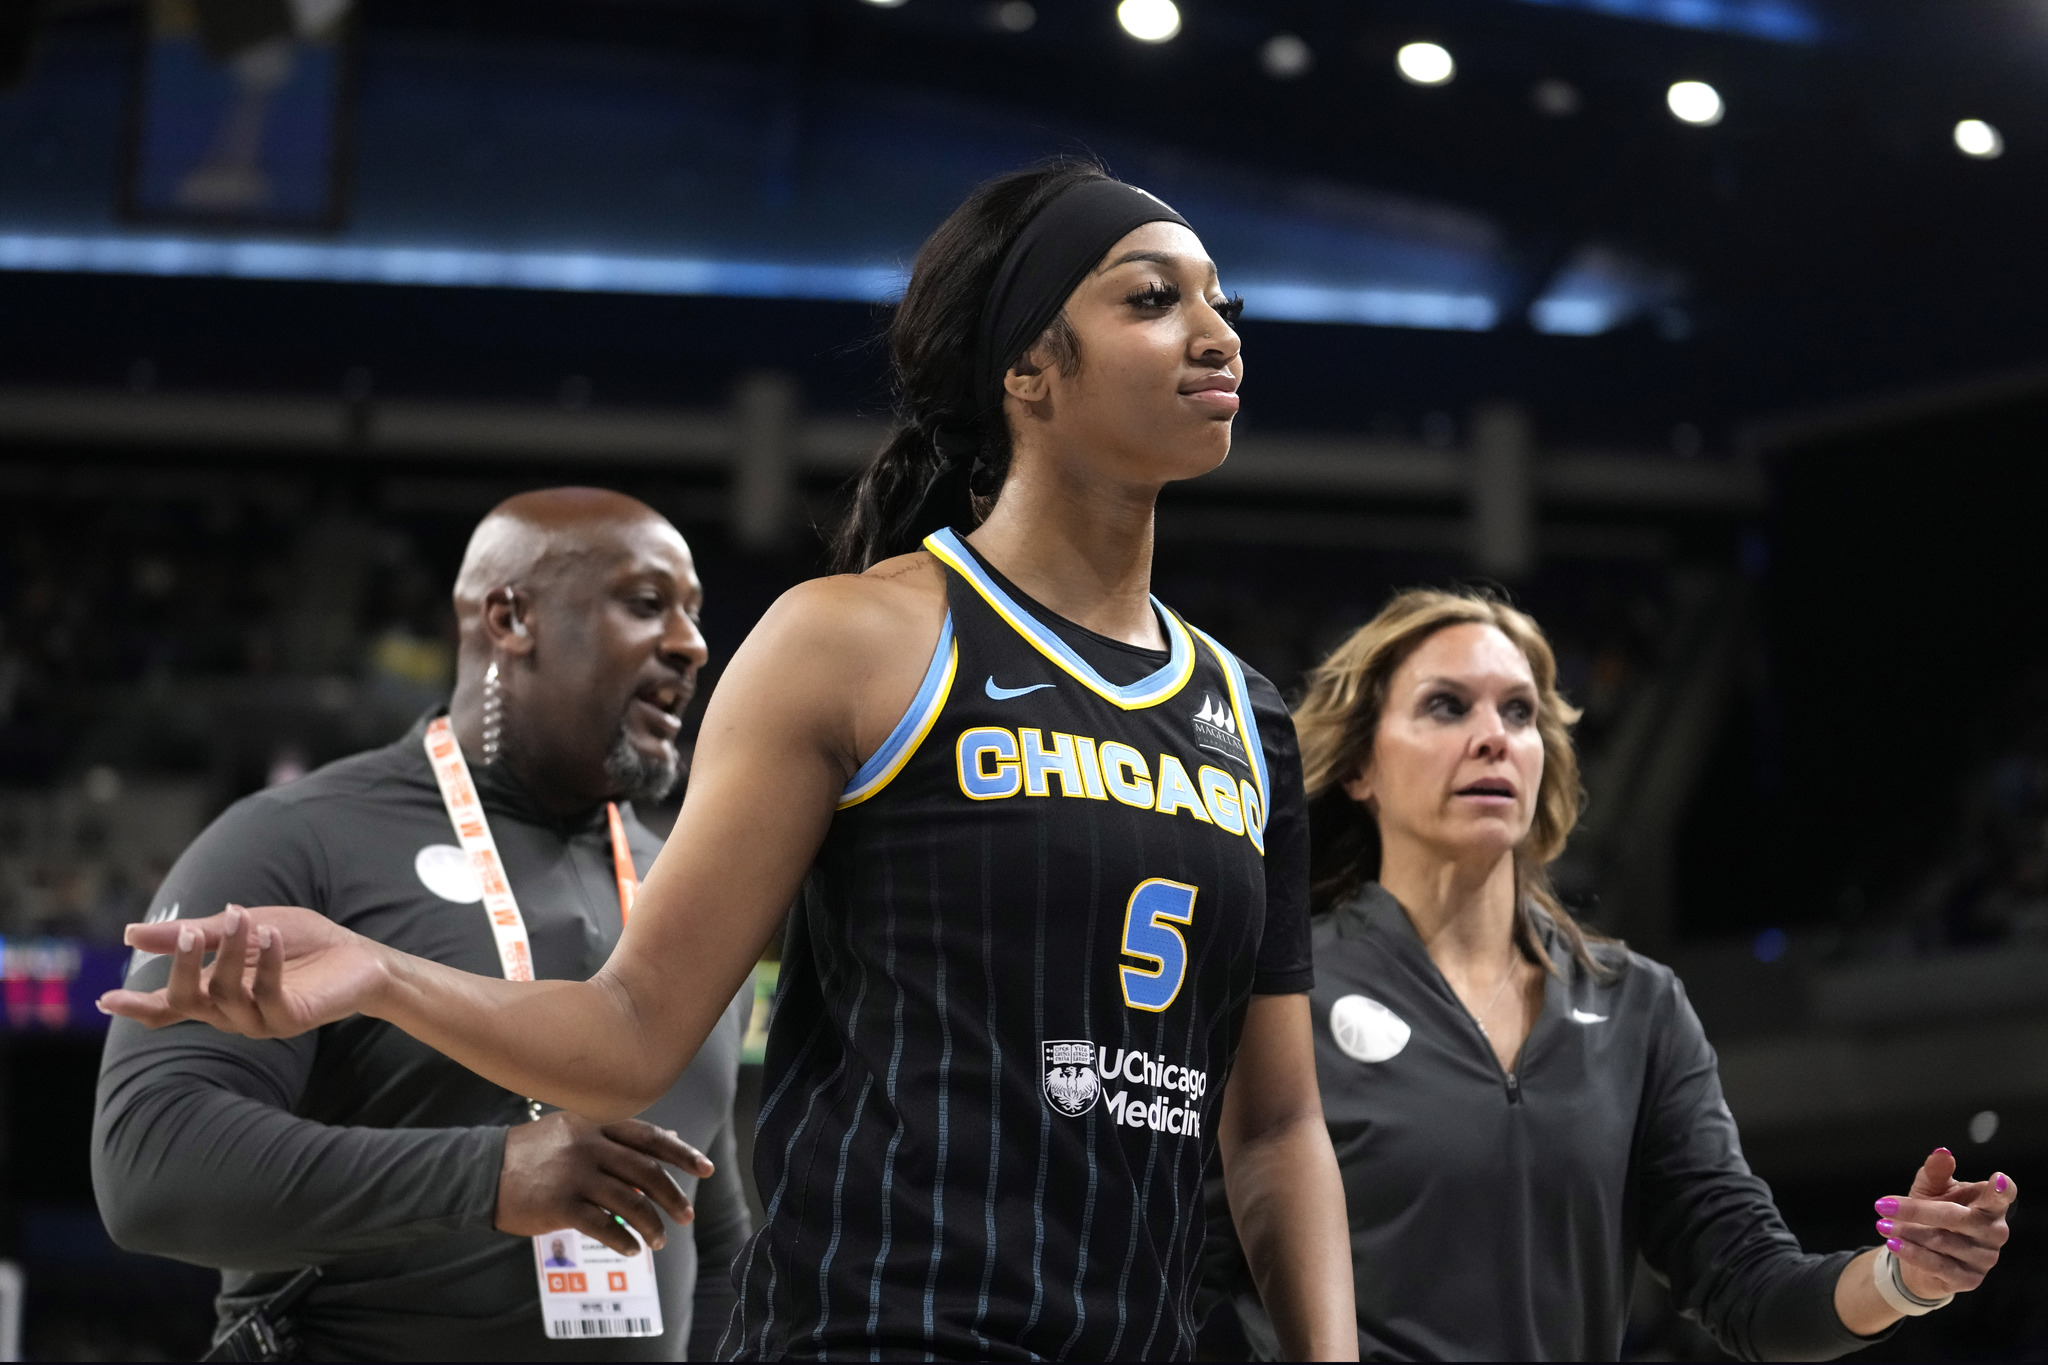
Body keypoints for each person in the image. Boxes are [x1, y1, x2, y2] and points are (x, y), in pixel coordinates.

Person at [102, 162, 1358, 1361]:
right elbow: (634, 1029)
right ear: (1027, 362)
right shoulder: (853, 640)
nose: (1216, 334)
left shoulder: (1243, 713)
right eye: (1153, 299)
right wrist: (380, 973)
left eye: (1219, 303)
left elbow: (1276, 1126)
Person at [1205, 587, 2017, 1361]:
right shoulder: (1284, 986)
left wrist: (1904, 1276)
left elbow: (1746, 1283)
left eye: (1518, 711)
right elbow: (1188, 1275)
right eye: (1446, 705)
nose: (1492, 735)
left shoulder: (1639, 1004)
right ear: (1360, 767)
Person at [93, 488, 754, 1362]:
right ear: (510, 616)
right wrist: (490, 1174)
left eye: (696, 613)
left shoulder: (690, 895)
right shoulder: (295, 843)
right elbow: (153, 1165)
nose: (691, 643)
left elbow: (709, 1234)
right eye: (645, 603)